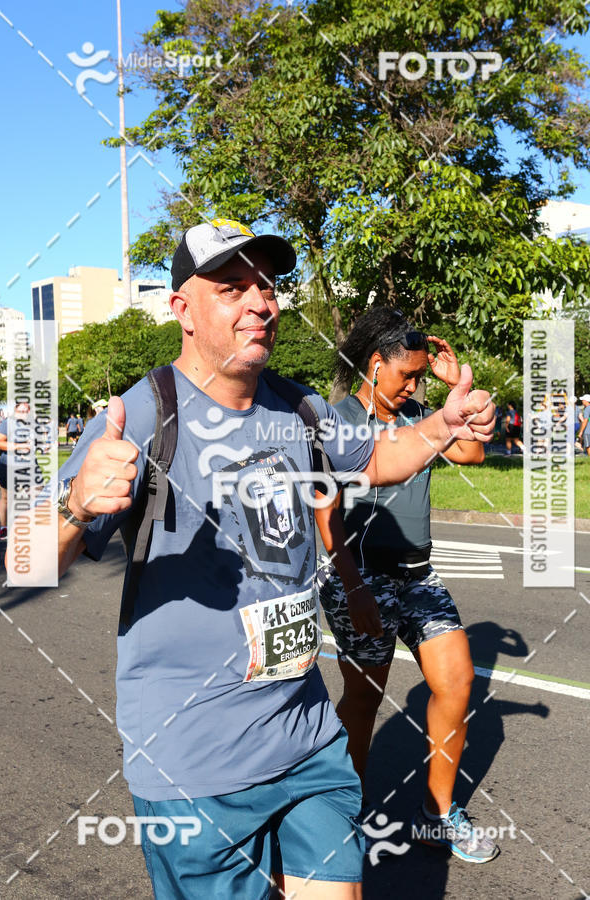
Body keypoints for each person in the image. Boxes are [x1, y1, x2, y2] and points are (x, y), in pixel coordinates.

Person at [44, 219, 494, 899]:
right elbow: (28, 556)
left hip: (306, 736)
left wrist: (442, 427)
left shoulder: (299, 405)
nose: (261, 301)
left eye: (267, 285)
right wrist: (78, 505)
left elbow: (373, 458)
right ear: (183, 311)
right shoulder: (144, 412)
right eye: (231, 288)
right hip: (196, 760)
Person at [314, 308, 498, 864]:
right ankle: (345, 813)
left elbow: (473, 450)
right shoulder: (336, 419)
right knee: (364, 702)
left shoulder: (424, 414)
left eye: (422, 376)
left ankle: (437, 815)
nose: (415, 385)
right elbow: (324, 512)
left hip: (418, 575)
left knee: (458, 683)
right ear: (375, 366)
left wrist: (451, 392)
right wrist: (353, 586)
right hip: (360, 576)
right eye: (408, 375)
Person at [0, 402, 31, 541]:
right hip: (7, 466)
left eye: (27, 410)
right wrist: (19, 446)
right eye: (22, 410)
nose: (25, 413)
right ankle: (4, 528)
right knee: (7, 498)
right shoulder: (8, 423)